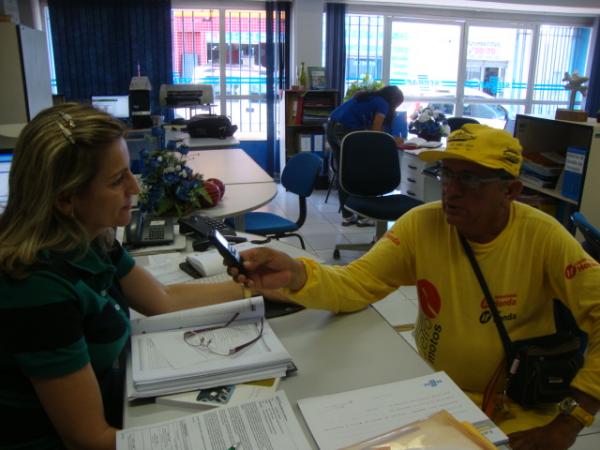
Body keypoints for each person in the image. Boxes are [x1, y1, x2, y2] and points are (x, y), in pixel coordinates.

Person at [229, 124, 600, 450]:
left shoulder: (545, 237)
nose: (450, 191)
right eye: (447, 174)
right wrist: (296, 273)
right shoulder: (422, 225)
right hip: (435, 391)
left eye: (470, 180)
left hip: (517, 402)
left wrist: (571, 422)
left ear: (511, 190)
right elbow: (355, 285)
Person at [0, 103, 279, 450]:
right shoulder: (35, 288)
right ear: (66, 199)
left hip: (113, 402)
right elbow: (88, 439)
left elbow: (163, 300)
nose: (135, 187)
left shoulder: (89, 236)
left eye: (129, 171)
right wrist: (210, 437)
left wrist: (263, 289)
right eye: (117, 180)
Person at [326, 85, 405, 225]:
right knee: (361, 171)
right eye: (397, 105)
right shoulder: (383, 104)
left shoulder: (370, 98)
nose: (395, 109)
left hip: (332, 127)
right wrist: (392, 140)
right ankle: (364, 215)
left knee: (344, 173)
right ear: (393, 100)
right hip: (344, 130)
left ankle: (348, 215)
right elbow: (375, 132)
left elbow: (371, 128)